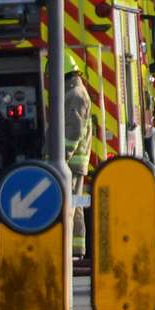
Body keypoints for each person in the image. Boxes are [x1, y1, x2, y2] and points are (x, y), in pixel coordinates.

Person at [63, 52, 93, 257]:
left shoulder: (75, 95)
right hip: (74, 162)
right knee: (75, 206)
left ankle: (72, 251)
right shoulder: (74, 93)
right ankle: (76, 250)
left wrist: (61, 156)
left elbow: (74, 129)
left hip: (71, 162)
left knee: (70, 207)